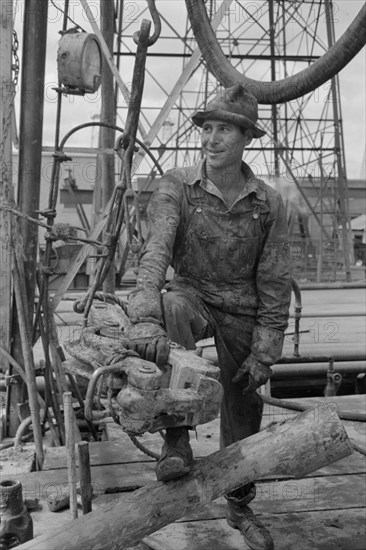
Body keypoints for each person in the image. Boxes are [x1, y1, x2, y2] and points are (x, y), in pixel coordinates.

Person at [127, 84, 292, 550]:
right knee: (172, 308)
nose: (211, 139)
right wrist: (145, 318)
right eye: (207, 128)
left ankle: (239, 503)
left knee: (244, 403)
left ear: (246, 138)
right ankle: (176, 440)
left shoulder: (268, 204)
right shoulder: (176, 187)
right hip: (191, 295)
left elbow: (275, 281)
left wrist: (265, 352)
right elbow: (154, 254)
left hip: (243, 307)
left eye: (224, 130)